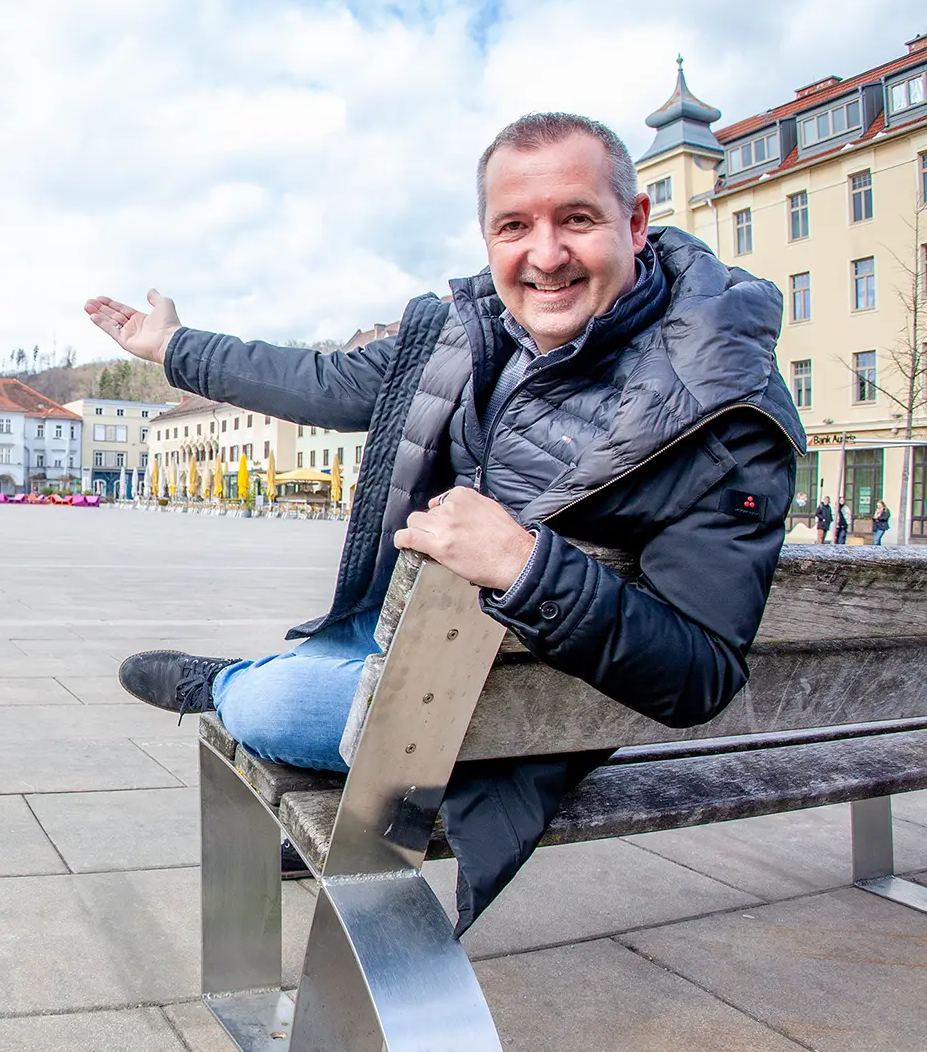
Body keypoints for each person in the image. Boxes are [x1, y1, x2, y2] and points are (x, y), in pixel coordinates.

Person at [84, 112, 803, 928]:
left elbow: (699, 671)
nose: (545, 254)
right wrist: (176, 347)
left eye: (577, 218)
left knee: (274, 708)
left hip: (503, 706)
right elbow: (323, 381)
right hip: (411, 627)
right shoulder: (466, 329)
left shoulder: (722, 404)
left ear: (634, 223)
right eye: (514, 226)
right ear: (486, 236)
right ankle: (320, 695)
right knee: (337, 676)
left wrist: (526, 567)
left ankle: (225, 684)